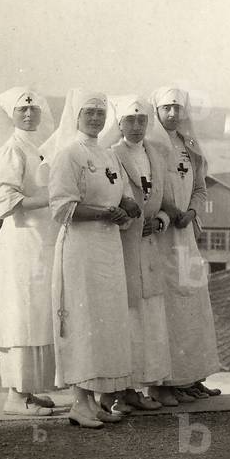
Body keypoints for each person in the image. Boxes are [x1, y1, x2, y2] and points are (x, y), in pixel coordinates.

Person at [44, 90, 140, 429]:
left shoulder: (110, 156)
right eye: (90, 113)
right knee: (83, 323)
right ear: (76, 117)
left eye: (101, 114)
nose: (96, 120)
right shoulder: (68, 154)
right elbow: (61, 208)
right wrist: (103, 213)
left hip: (109, 248)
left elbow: (123, 193)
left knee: (106, 322)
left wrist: (129, 206)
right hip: (81, 250)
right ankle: (78, 402)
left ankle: (96, 399)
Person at [0, 87, 58, 416]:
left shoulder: (42, 148)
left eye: (34, 110)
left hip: (44, 240)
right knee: (22, 313)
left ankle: (29, 390)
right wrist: (52, 198)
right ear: (12, 116)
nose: (30, 115)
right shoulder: (10, 150)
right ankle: (15, 396)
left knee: (40, 313)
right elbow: (5, 204)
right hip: (22, 242)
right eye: (22, 111)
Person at [146, 87, 223, 403]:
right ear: (157, 111)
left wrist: (190, 212)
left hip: (185, 234)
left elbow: (201, 187)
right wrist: (173, 210)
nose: (173, 114)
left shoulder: (189, 144)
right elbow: (148, 185)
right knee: (168, 308)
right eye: (167, 108)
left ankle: (192, 376)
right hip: (163, 235)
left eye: (178, 108)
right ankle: (166, 381)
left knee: (193, 304)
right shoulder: (149, 145)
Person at [101, 95, 174, 411]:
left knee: (150, 319)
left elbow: (167, 201)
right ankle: (121, 388)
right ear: (118, 124)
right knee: (128, 317)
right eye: (129, 120)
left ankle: (143, 386)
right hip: (124, 246)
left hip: (150, 247)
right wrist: (133, 221)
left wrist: (160, 221)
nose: (136, 126)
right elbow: (111, 199)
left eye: (142, 120)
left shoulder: (156, 155)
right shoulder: (111, 155)